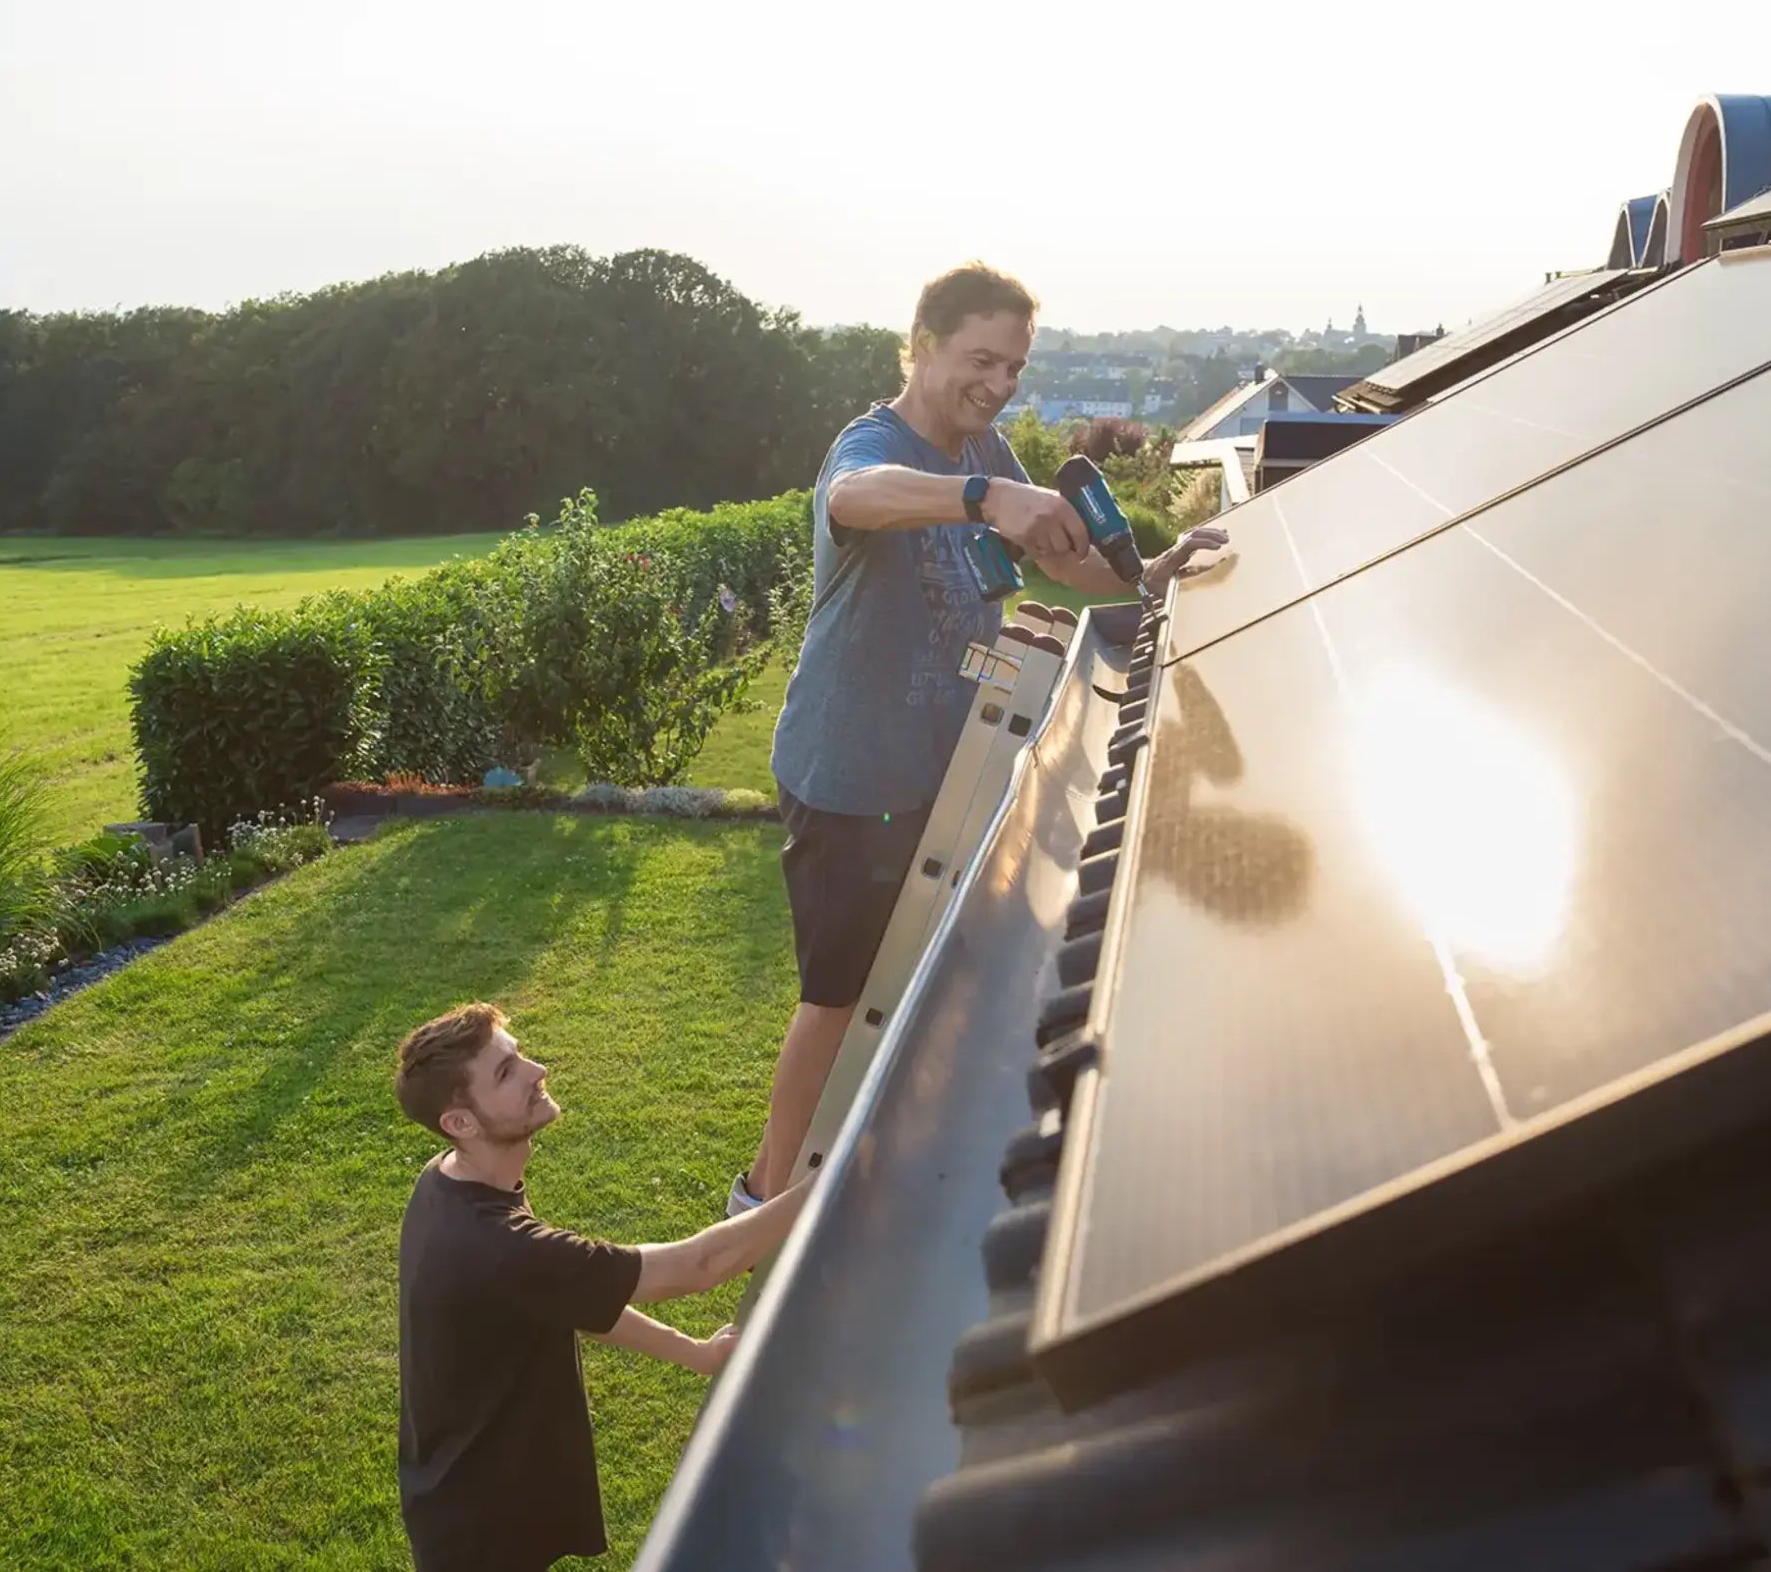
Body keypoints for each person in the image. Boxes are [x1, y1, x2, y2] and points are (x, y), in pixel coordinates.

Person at [728, 263, 1228, 1215]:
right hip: (850, 773)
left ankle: (892, 1162)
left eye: (1016, 366)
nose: (1000, 384)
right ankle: (758, 1201)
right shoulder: (872, 447)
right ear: (922, 344)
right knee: (839, 997)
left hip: (947, 773)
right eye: (982, 359)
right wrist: (982, 500)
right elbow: (856, 499)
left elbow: (1057, 556)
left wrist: (1149, 573)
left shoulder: (987, 447)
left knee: (930, 979)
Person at [393, 1002, 810, 1571]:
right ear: (459, 1122)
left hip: (471, 1486)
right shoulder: (501, 1248)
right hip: (481, 1522)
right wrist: (829, 1182)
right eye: (506, 1073)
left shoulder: (449, 1180)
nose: (537, 1070)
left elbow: (574, 1301)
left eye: (518, 1057)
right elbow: (701, 1264)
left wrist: (695, 1353)